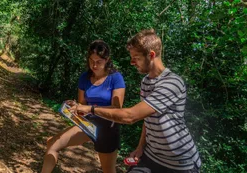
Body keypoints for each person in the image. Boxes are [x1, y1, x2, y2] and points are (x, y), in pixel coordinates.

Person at [71, 29, 201, 173]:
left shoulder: (172, 83)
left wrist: (91, 109)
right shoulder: (146, 82)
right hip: (151, 156)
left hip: (180, 163)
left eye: (136, 58)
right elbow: (148, 119)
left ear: (151, 55)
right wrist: (140, 148)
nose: (132, 62)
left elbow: (130, 116)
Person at [41, 40, 126, 173]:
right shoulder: (84, 77)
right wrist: (74, 106)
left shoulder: (115, 78)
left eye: (98, 61)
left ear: (107, 60)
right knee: (52, 143)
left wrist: (90, 109)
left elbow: (117, 109)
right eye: (91, 60)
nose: (94, 65)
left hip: (108, 127)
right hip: (88, 123)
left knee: (108, 170)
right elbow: (82, 105)